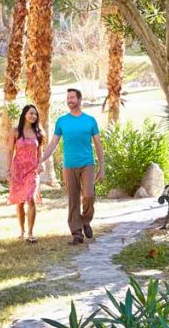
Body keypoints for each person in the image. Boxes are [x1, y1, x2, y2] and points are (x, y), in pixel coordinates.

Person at [39, 88, 105, 244]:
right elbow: (53, 143)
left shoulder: (90, 120)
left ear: (79, 100)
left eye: (72, 97)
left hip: (87, 164)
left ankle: (85, 220)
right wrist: (41, 159)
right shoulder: (62, 121)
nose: (69, 100)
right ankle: (76, 233)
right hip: (69, 166)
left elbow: (98, 144)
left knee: (88, 195)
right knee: (73, 199)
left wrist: (102, 167)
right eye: (68, 97)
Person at [8, 104, 44, 243]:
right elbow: (10, 151)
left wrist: (41, 164)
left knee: (31, 199)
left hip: (32, 171)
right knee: (20, 201)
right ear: (24, 115)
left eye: (35, 114)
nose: (33, 116)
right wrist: (8, 170)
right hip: (18, 170)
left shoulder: (39, 133)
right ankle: (22, 230)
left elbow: (40, 153)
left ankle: (30, 232)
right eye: (31, 113)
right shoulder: (16, 132)